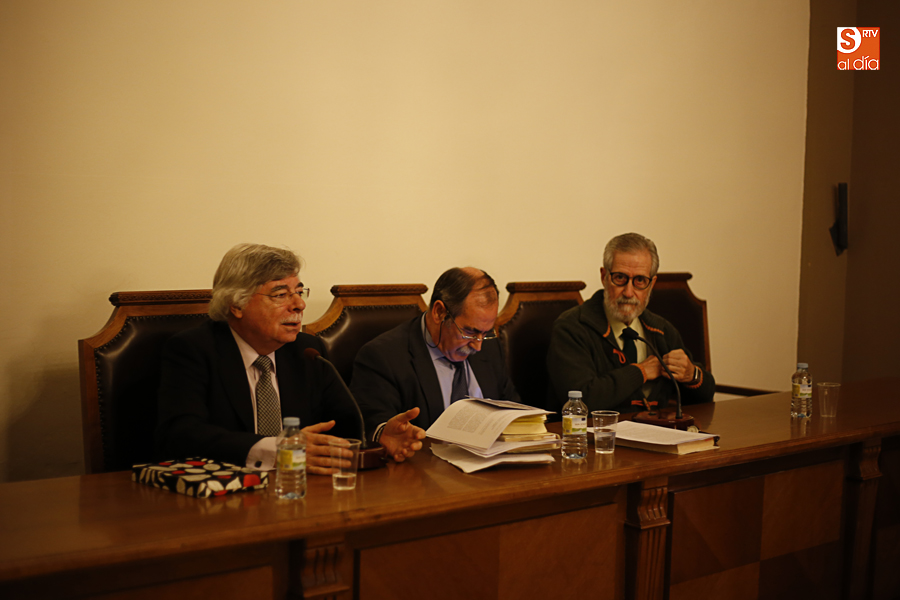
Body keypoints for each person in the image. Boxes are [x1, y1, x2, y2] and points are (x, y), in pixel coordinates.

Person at [155, 243, 425, 474]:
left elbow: (343, 419)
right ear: (236, 304)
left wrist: (378, 437)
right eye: (281, 294)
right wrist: (280, 452)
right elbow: (181, 435)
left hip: (301, 495)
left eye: (299, 291)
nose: (299, 305)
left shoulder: (308, 351)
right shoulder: (192, 350)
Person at [546, 233, 715, 414]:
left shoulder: (661, 329)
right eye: (620, 278)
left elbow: (704, 397)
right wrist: (640, 372)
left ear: (652, 284)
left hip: (658, 433)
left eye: (640, 281)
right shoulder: (572, 327)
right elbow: (582, 401)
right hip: (596, 436)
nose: (628, 292)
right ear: (604, 276)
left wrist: (692, 375)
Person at [352, 267, 520, 439]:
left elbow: (512, 410)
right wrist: (385, 434)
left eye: (485, 333)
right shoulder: (383, 356)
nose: (478, 346)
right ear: (439, 312)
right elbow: (373, 427)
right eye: (469, 332)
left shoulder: (490, 348)